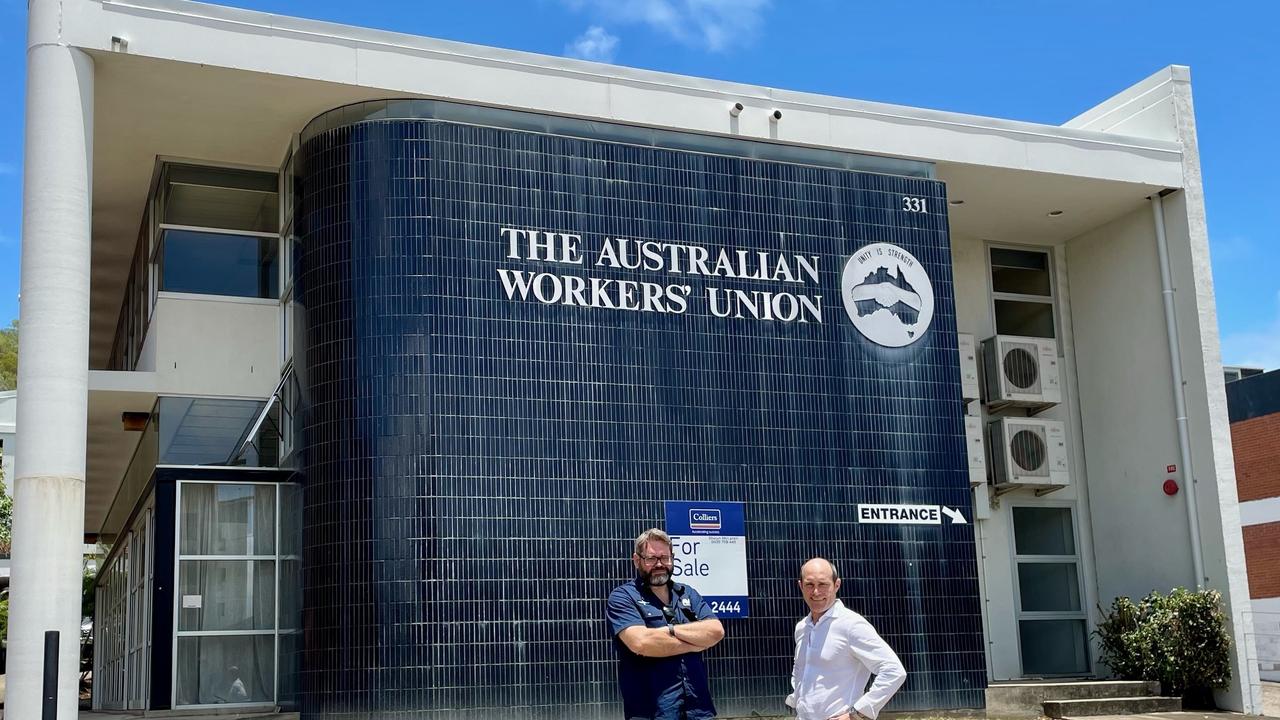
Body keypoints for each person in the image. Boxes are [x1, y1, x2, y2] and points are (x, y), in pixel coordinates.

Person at [607, 528, 726, 719]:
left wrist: (668, 631)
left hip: (698, 709)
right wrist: (696, 643)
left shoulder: (688, 594)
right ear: (637, 560)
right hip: (652, 711)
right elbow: (641, 643)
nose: (659, 564)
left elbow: (716, 631)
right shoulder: (623, 597)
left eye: (665, 558)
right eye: (651, 559)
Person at [786, 557, 906, 720]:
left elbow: (894, 670)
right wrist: (796, 700)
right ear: (800, 586)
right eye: (809, 585)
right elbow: (800, 668)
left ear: (837, 585)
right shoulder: (802, 627)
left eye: (823, 584)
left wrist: (857, 714)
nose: (816, 592)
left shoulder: (851, 625)